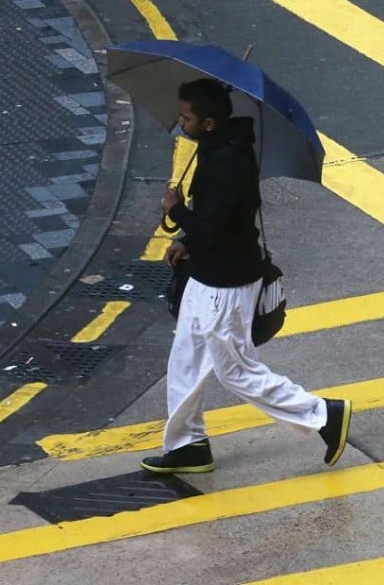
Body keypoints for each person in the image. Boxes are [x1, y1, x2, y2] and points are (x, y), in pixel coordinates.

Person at [141, 78, 350, 474]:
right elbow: (217, 221)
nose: (179, 122)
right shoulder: (215, 149)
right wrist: (186, 237)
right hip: (206, 273)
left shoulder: (229, 163)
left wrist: (178, 212)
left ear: (209, 123)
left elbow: (213, 226)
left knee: (235, 370)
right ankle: (187, 446)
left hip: (226, 283)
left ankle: (323, 414)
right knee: (186, 357)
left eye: (186, 117)